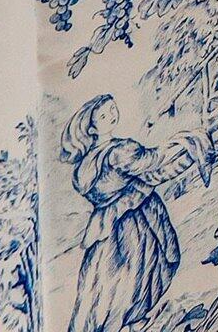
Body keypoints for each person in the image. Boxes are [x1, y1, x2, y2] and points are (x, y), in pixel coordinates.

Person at [60, 94, 184, 332]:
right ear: (93, 128)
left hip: (104, 228)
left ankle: (128, 323)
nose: (112, 115)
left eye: (112, 109)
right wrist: (186, 144)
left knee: (103, 284)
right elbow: (154, 162)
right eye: (104, 115)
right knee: (133, 274)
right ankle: (127, 321)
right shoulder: (119, 152)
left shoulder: (84, 167)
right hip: (135, 222)